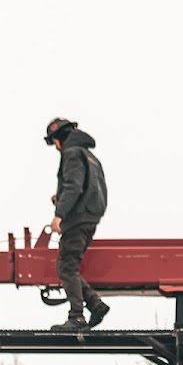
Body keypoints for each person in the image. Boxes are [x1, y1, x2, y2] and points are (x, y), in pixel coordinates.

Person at [45, 117, 109, 332]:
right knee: (69, 266)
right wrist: (61, 196)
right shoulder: (89, 155)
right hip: (90, 218)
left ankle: (77, 317)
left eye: (54, 141)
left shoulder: (71, 153)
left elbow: (74, 186)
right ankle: (95, 305)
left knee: (66, 267)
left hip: (77, 219)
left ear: (60, 137)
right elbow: (85, 187)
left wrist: (59, 214)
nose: (55, 146)